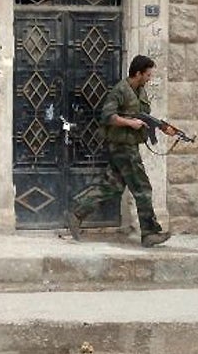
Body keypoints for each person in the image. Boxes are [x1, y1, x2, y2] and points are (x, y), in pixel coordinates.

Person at [67, 54, 172, 248]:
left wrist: (163, 128)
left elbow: (144, 117)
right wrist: (130, 123)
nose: (149, 78)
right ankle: (149, 233)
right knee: (142, 189)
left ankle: (76, 213)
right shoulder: (120, 91)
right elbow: (108, 116)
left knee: (111, 186)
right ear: (138, 73)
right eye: (147, 75)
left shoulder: (140, 91)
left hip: (128, 146)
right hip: (123, 147)